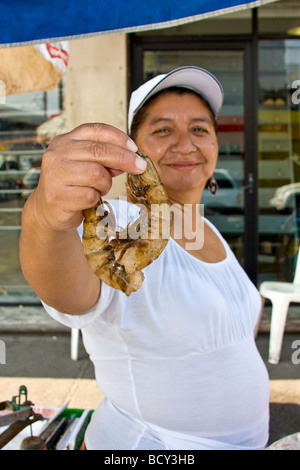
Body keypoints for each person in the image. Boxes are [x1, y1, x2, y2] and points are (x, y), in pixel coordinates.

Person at [19, 66, 270, 450]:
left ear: (217, 146)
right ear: (131, 150)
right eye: (163, 129)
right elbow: (65, 288)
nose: (185, 143)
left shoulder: (208, 229)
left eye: (200, 129)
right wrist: (45, 217)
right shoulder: (119, 225)